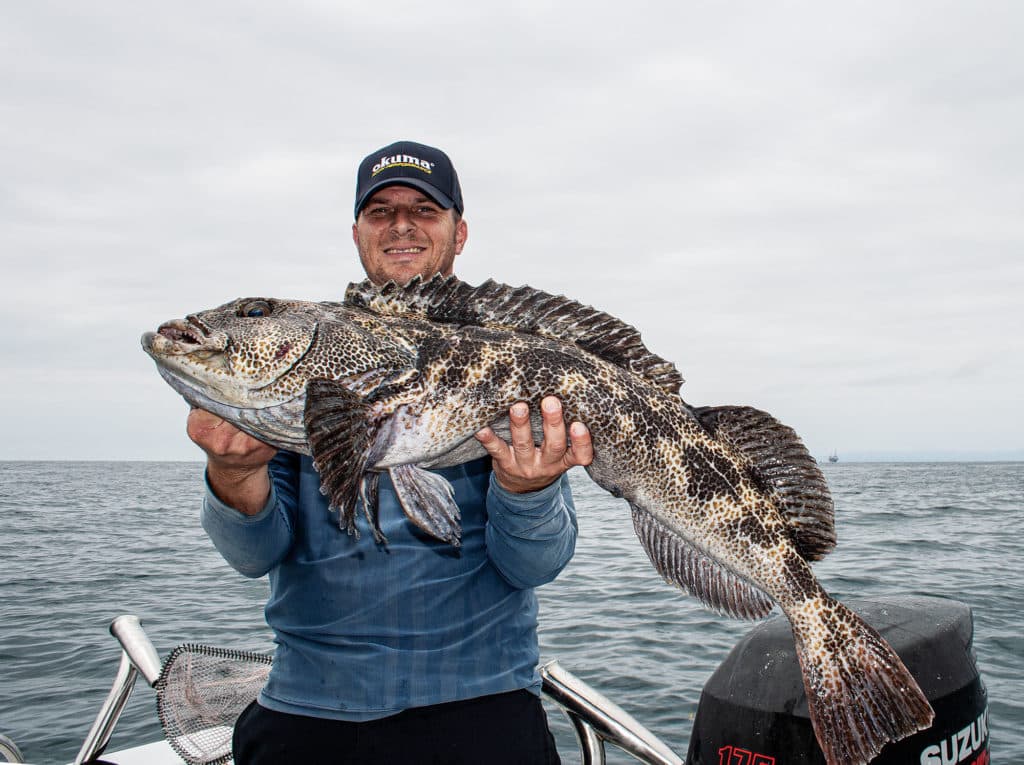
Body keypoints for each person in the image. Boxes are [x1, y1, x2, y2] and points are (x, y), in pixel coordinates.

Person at [188, 140, 594, 764]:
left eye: (424, 210)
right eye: (380, 212)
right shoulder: (310, 373)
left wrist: (527, 490)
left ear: (459, 233)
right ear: (357, 232)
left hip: (482, 709)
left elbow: (535, 567)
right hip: (307, 711)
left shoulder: (508, 363)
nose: (401, 224)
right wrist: (233, 471)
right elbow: (254, 555)